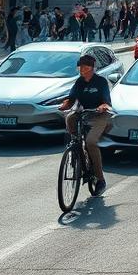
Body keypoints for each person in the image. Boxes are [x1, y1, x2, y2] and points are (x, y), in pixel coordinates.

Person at [58, 54, 112, 196]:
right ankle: (76, 145)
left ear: (92, 68)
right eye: (80, 67)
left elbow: (106, 101)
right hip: (84, 112)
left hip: (99, 115)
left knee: (91, 142)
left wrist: (102, 106)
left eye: (85, 67)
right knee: (70, 118)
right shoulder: (79, 82)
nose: (82, 70)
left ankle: (100, 180)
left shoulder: (101, 82)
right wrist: (64, 105)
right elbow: (71, 98)